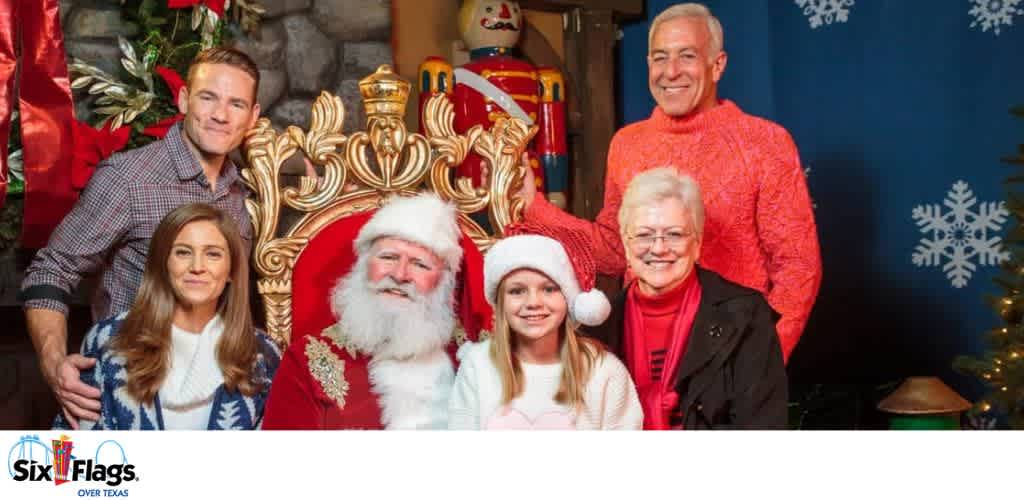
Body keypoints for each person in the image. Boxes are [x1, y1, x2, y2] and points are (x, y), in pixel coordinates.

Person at [514, 2, 821, 362]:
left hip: (731, 350)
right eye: (660, 58)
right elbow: (615, 251)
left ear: (717, 64)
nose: (670, 71)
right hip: (643, 350)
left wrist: (761, 358)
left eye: (686, 56)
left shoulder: (765, 143)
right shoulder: (627, 145)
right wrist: (534, 207)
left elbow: (798, 267)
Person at [21, 47, 262, 428]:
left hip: (217, 397)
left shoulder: (244, 191)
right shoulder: (128, 178)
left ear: (253, 117)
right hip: (133, 394)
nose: (220, 114)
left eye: (236, 104)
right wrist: (53, 363)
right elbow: (52, 269)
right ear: (183, 100)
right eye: (208, 97)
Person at [261, 193, 492, 429]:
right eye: (388, 257)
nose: (400, 275)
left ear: (444, 282)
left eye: (420, 264)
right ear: (363, 265)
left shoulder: (479, 359)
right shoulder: (305, 362)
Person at [588, 168, 786, 430]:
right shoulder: (599, 328)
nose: (658, 248)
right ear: (626, 244)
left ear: (697, 242)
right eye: (644, 235)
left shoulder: (746, 316)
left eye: (674, 234)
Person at [53, 203, 280, 430]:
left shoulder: (262, 354)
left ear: (231, 270)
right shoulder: (109, 339)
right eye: (182, 252)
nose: (197, 267)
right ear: (163, 263)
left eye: (213, 254)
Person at [448, 223, 643, 430]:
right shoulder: (477, 365)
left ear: (569, 298)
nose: (533, 302)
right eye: (517, 291)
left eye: (549, 289)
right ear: (500, 302)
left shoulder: (604, 372)